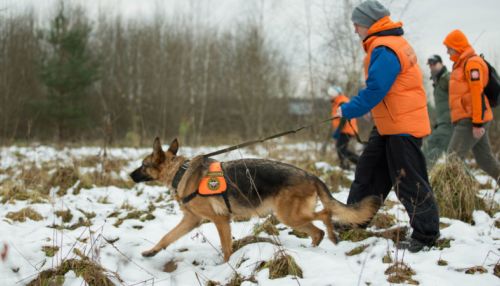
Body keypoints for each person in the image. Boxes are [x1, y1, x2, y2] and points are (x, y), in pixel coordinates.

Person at [336, 0, 440, 252]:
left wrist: (348, 109)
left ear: (369, 23)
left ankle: (426, 236)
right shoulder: (386, 44)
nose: (354, 29)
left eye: (357, 23)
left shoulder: (385, 47)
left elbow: (376, 89)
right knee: (368, 173)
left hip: (402, 127)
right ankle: (354, 220)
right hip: (388, 126)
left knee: (409, 181)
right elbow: (389, 91)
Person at [443, 30, 500, 182]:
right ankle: (473, 195)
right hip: (470, 118)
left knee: (452, 160)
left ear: (457, 46)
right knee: (485, 160)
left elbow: (477, 94)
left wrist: (477, 123)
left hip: (471, 119)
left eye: (449, 48)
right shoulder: (460, 64)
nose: (447, 51)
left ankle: (464, 196)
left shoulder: (472, 63)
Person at [422, 55, 453, 169]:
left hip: (450, 123)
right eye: (430, 64)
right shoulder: (438, 81)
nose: (431, 67)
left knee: (432, 146)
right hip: (442, 123)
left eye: (434, 63)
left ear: (441, 63)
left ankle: (422, 176)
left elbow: (459, 96)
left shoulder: (447, 78)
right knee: (454, 155)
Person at [328, 85, 360, 169]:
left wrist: (338, 131)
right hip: (345, 130)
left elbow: (344, 118)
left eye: (331, 95)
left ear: (335, 95)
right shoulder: (338, 102)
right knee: (342, 149)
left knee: (341, 149)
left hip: (346, 130)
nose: (329, 97)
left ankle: (346, 166)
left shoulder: (342, 102)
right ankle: (355, 164)